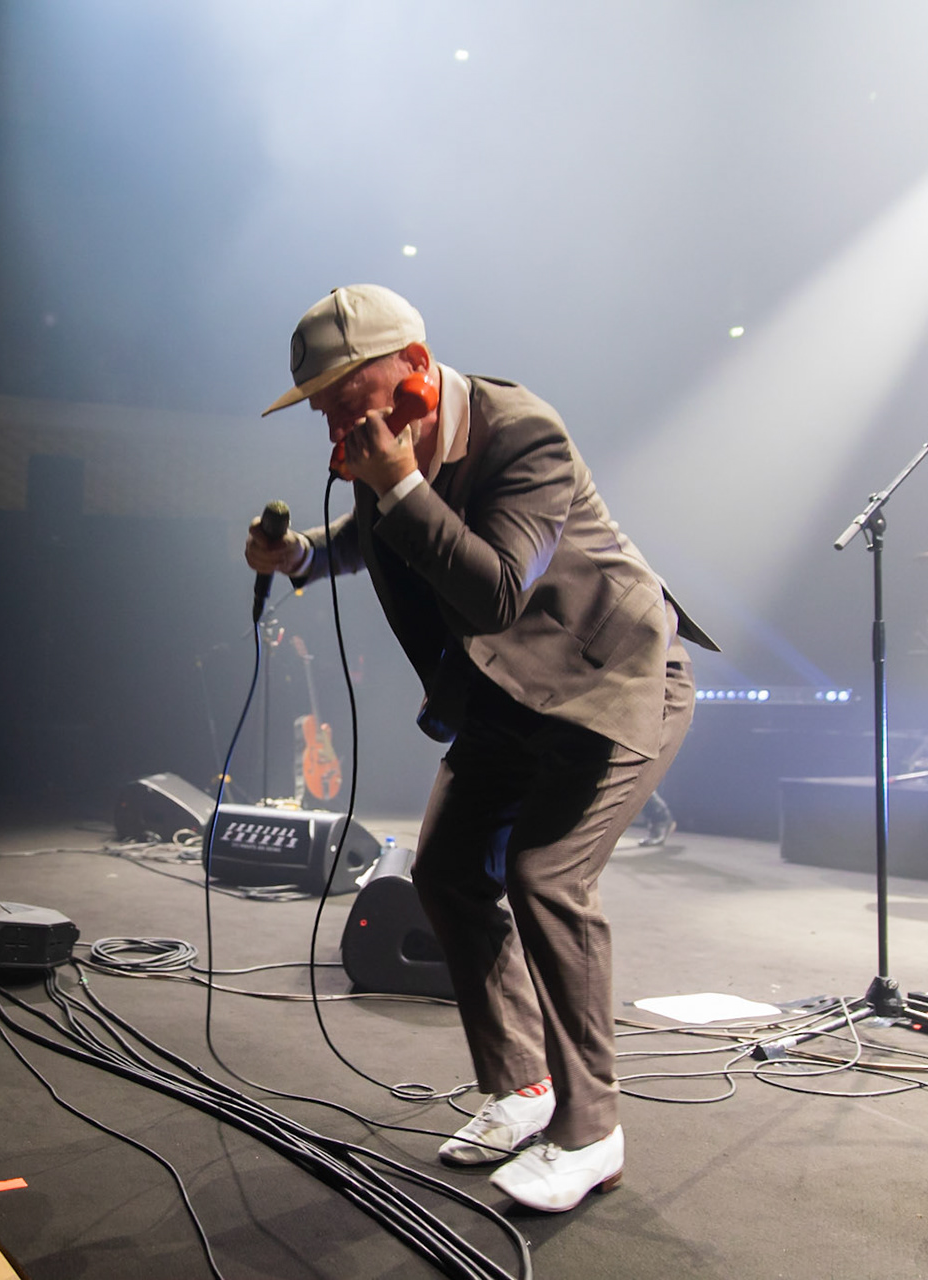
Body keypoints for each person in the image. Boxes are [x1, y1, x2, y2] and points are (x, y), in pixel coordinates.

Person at [245, 285, 714, 1212]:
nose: (335, 416)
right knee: (450, 868)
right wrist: (300, 555)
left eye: (348, 389)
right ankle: (523, 1087)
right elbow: (373, 533)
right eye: (321, 403)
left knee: (546, 876)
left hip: (612, 681)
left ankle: (593, 1131)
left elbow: (499, 589)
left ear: (413, 367)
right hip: (510, 696)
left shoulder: (519, 432)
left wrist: (401, 484)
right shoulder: (389, 459)